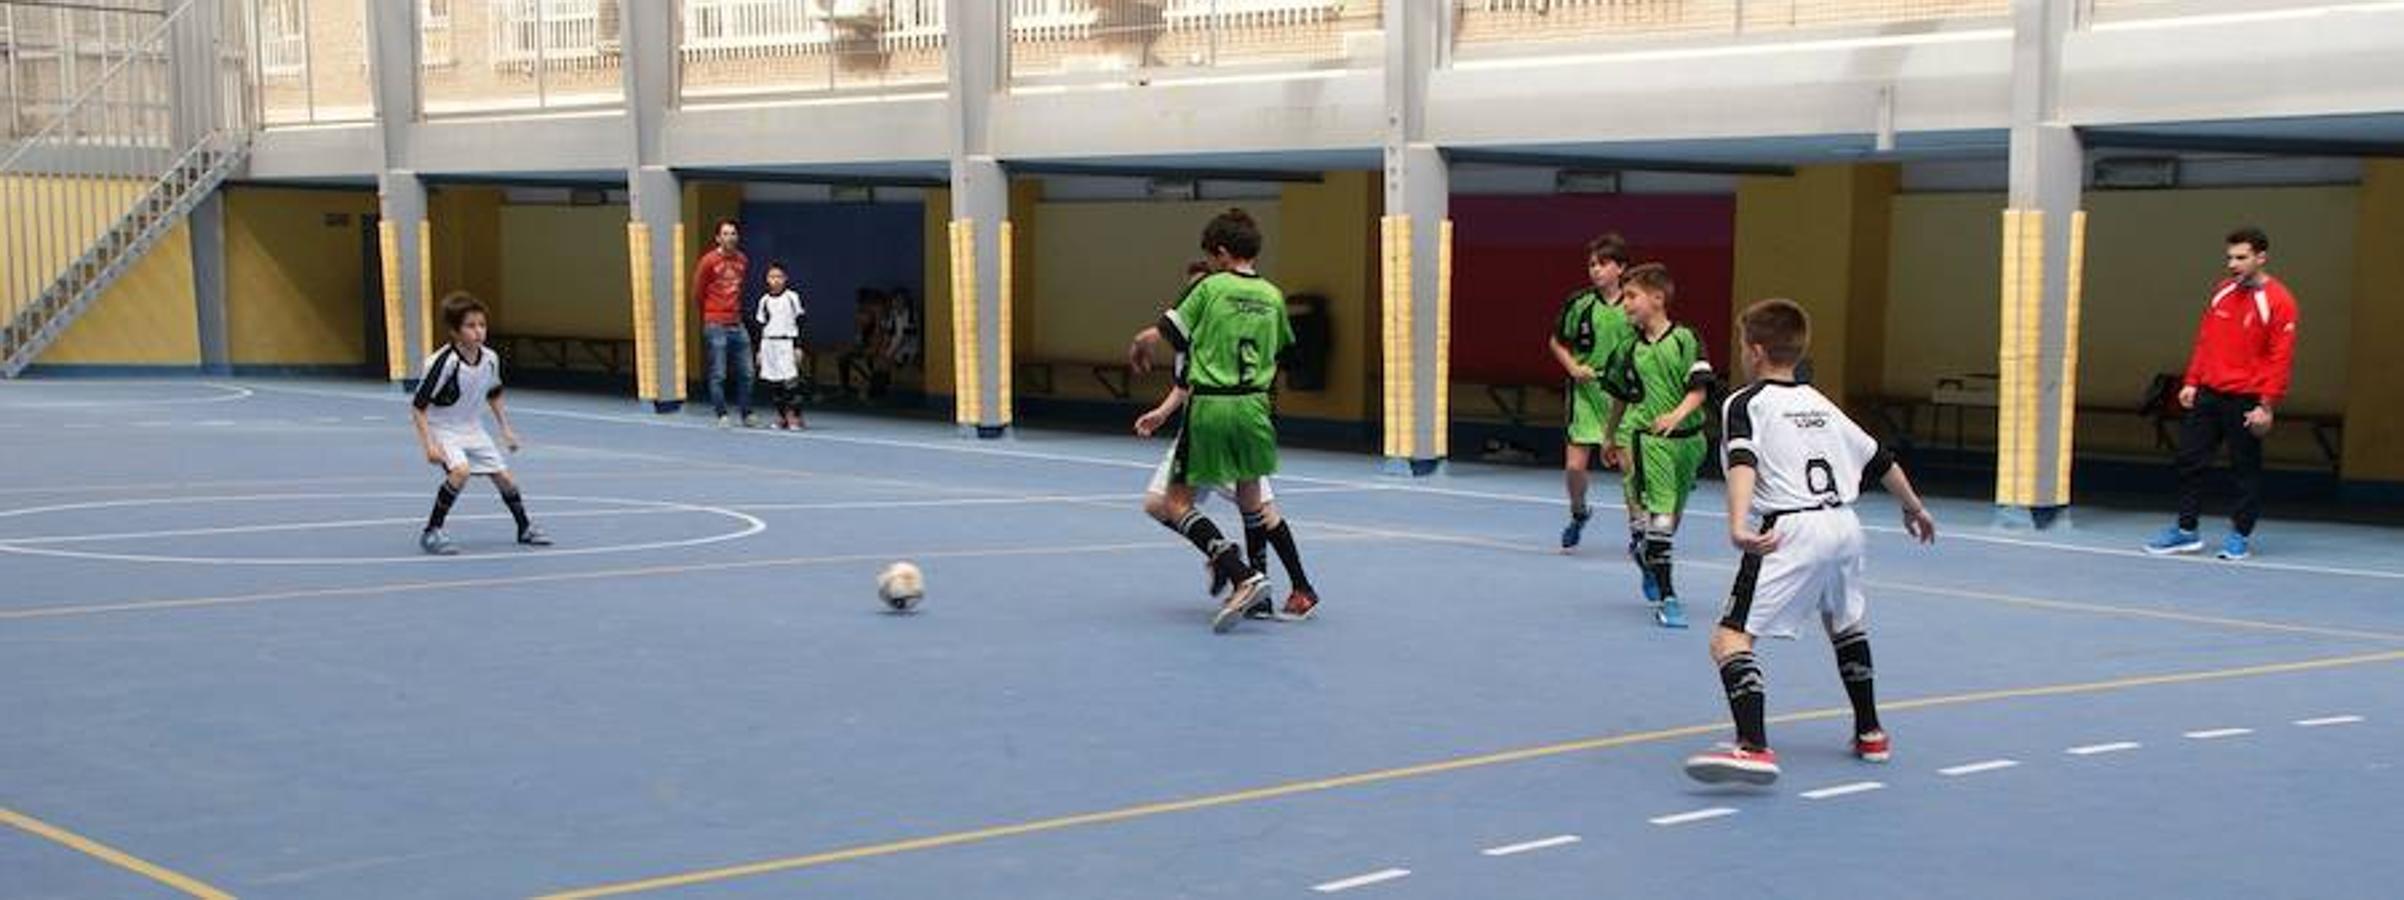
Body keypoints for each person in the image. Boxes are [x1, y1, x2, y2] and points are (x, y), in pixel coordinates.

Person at [1682, 298, 1937, 786]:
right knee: (1845, 623)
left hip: (1792, 528)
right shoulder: (1818, 401)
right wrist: (1914, 506)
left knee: (1729, 639)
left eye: (1741, 344)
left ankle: (1753, 746)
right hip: (1844, 525)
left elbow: (1742, 461)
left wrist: (1739, 524)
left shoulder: (1745, 402)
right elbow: (1878, 458)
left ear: (1755, 351)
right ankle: (1871, 732)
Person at [1128, 209, 1296, 633]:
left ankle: (1241, 575)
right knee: (1251, 502)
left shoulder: (1210, 287)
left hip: (1213, 407)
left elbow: (1170, 332)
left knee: (1175, 503)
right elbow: (1280, 351)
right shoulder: (1274, 296)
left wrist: (1140, 344)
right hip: (1256, 407)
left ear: (1221, 253)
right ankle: (1261, 588)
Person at [2144, 226, 2299, 562]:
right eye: (2230, 257)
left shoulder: (2279, 301)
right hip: (2208, 394)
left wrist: (2266, 405)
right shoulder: (2222, 291)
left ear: (2261, 257)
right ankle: (2186, 532)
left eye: (2241, 257)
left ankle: (2239, 536)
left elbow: (2280, 357)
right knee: (2189, 461)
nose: (2233, 264)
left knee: (2245, 470)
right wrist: (2191, 381)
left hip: (2247, 399)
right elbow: (2206, 340)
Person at [1604, 263, 1713, 629]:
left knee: (1669, 520)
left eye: (1631, 296)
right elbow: (1620, 397)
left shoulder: (1686, 339)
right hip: (1646, 440)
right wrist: (1610, 435)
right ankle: (1669, 597)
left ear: (1657, 298)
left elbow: (1699, 390)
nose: (1625, 304)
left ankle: (1643, 545)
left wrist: (1677, 416)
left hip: (1689, 442)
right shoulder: (1627, 349)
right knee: (1661, 519)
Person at [412, 291, 550, 556]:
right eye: (470, 326)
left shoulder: (490, 358)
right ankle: (432, 531)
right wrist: (428, 445)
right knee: (460, 472)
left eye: (482, 325)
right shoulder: (443, 363)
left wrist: (505, 429)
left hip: (473, 427)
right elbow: (418, 408)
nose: (478, 331)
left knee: (506, 479)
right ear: (454, 331)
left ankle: (525, 528)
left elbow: (494, 392)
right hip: (444, 427)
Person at [1548, 233, 1637, 553]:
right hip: (1586, 392)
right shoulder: (1579, 304)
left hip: (1623, 395)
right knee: (1574, 466)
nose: (1595, 270)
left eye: (1603, 264)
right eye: (1591, 265)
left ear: (1621, 268)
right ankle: (1578, 511)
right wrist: (1573, 367)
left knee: (1629, 468)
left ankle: (1638, 531)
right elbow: (1556, 342)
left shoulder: (1633, 304)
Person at [693, 218, 757, 428]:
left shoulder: (742, 260)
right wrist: (711, 315)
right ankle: (722, 414)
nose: (730, 237)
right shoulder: (708, 261)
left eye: (733, 233)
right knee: (718, 373)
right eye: (726, 234)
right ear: (718, 238)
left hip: (737, 323)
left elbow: (739, 290)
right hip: (715, 324)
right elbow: (698, 292)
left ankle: (746, 413)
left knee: (747, 372)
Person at [755, 262, 808, 430]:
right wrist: (759, 351)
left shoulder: (792, 297)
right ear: (767, 279)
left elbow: (800, 322)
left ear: (785, 279)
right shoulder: (764, 301)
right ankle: (782, 416)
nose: (775, 280)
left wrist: (798, 347)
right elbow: (761, 326)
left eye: (779, 277)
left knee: (791, 383)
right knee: (775, 384)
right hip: (769, 344)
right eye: (772, 277)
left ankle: (794, 416)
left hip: (787, 343)